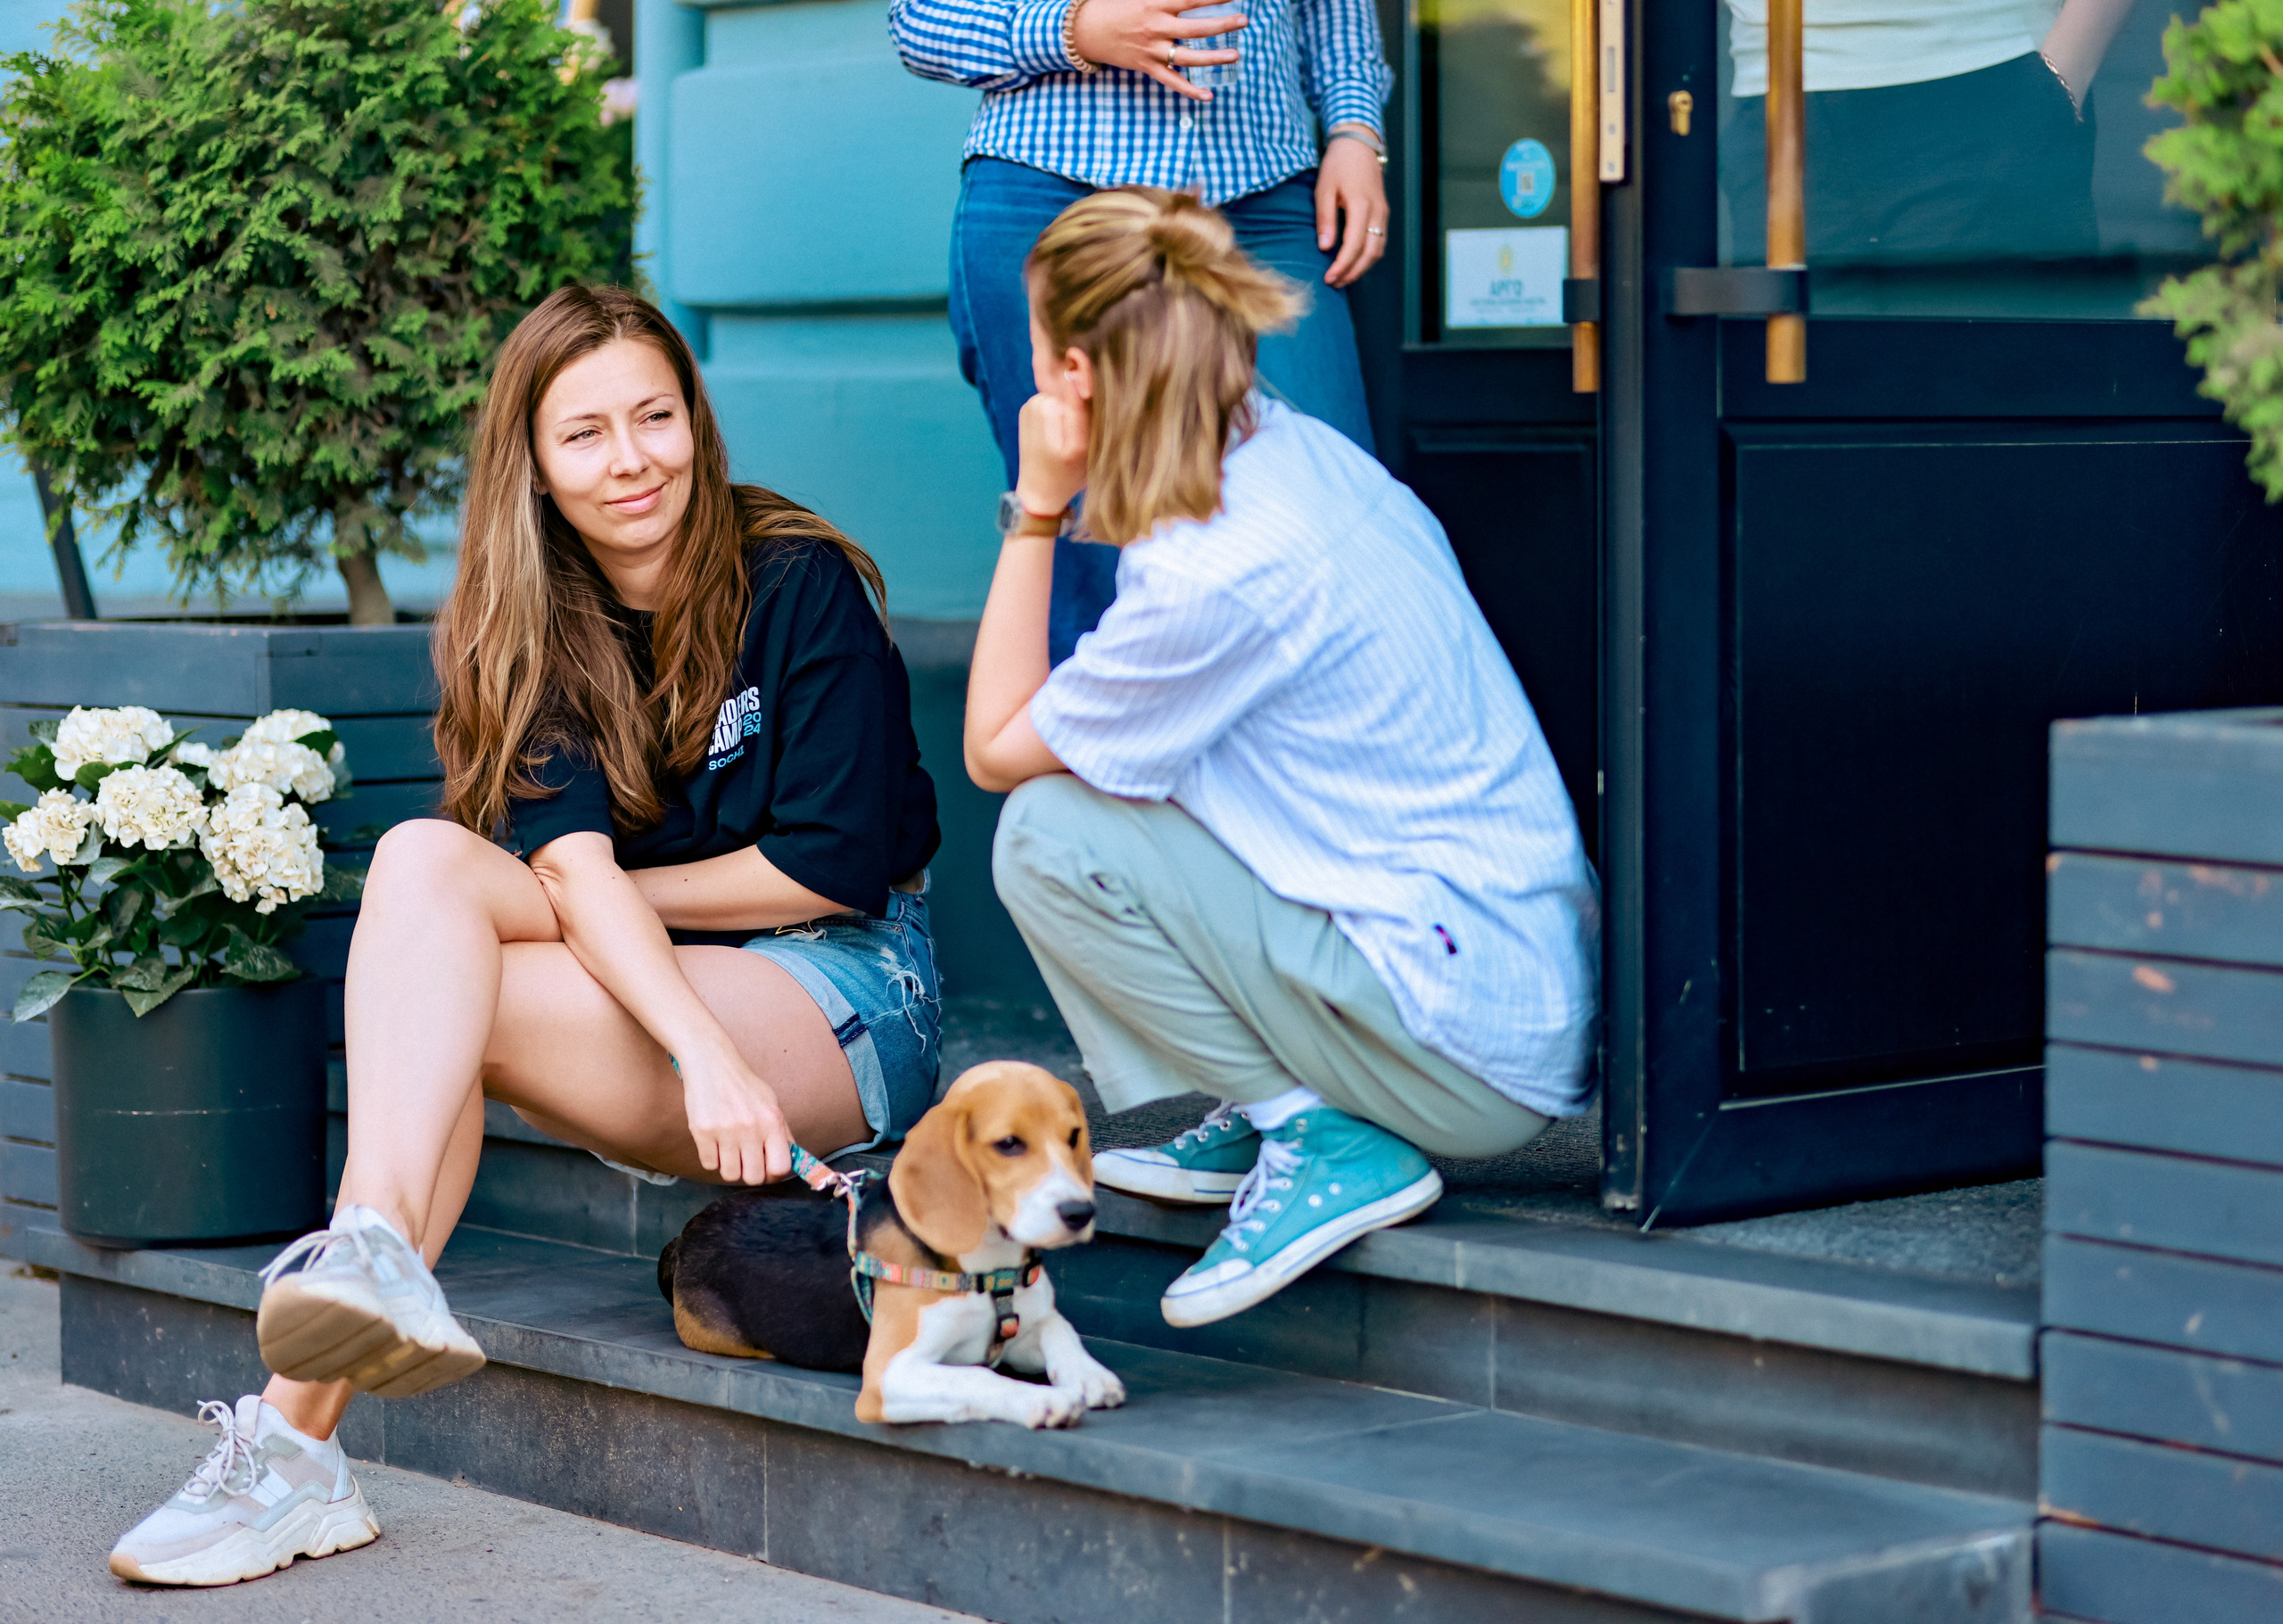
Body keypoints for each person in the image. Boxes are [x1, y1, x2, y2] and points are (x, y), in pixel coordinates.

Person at [106, 285, 942, 1587]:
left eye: (655, 417)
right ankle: (350, 1308)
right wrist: (597, 917)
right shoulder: (531, 622)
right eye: (588, 435)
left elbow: (822, 864)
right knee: (421, 859)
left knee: (467, 962)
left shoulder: (796, 580)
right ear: (537, 468)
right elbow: (570, 860)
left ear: (694, 419)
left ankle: (292, 1443)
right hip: (673, 990)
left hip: (842, 987)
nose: (632, 460)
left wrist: (694, 1034)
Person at [966, 189, 1598, 1329]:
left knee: (1047, 836)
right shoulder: (1291, 452)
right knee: (1133, 789)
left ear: (1073, 377)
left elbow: (992, 748)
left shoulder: (1219, 570)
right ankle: (1288, 1101)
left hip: (1464, 1053)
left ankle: (1314, 1129)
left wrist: (1035, 508)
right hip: (1501, 980)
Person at [890, 0, 1394, 662]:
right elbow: (919, 20)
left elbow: (1337, 14)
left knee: (1336, 501)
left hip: (1262, 192)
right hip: (1054, 188)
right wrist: (1080, 30)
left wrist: (1356, 131)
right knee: (1084, 533)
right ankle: (1078, 758)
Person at [1721, 0, 2139, 264]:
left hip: (1990, 74)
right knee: (1796, 395)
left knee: (1995, 385)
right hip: (1777, 99)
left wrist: (2063, 73)